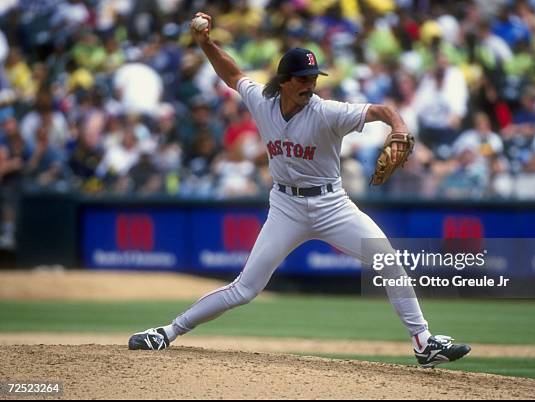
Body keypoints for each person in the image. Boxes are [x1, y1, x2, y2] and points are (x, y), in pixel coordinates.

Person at [128, 12, 471, 369]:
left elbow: (383, 110)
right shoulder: (262, 101)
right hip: (286, 208)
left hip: (332, 204)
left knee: (388, 262)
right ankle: (167, 332)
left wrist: (398, 127)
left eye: (313, 77)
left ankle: (423, 342)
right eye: (304, 78)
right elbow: (232, 74)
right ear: (285, 81)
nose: (311, 84)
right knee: (246, 288)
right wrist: (206, 44)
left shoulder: (327, 112)